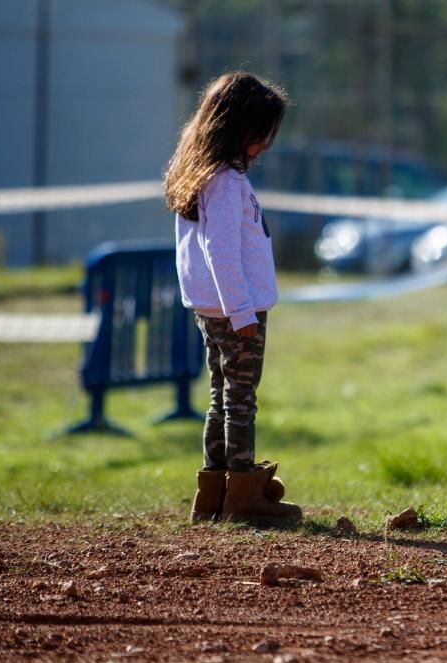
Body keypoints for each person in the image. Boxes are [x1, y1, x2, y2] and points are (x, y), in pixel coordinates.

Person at [164, 71, 302, 526]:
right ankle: (243, 498)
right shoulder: (224, 182)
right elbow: (219, 249)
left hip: (211, 309)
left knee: (221, 397)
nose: (264, 143)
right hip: (235, 310)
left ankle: (213, 498)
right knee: (241, 400)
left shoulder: (200, 173)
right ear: (237, 127)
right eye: (260, 133)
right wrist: (242, 309)